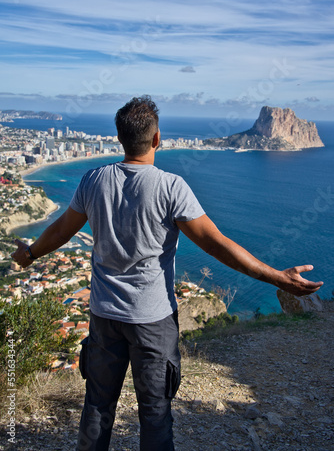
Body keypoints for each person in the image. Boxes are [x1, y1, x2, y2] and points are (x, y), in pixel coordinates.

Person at [11, 95, 323, 451]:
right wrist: (279, 278)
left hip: (103, 317)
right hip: (153, 322)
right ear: (157, 139)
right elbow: (217, 245)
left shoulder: (93, 181)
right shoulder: (171, 187)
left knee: (97, 407)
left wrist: (31, 254)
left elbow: (62, 230)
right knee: (155, 414)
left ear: (119, 138)